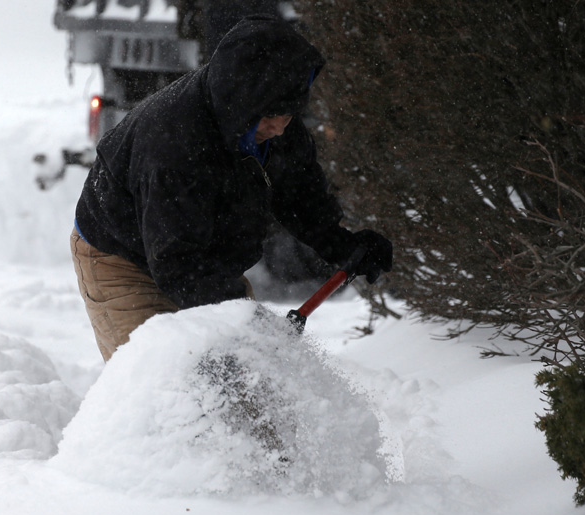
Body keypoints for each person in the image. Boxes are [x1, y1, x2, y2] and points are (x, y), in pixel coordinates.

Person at [70, 15, 392, 362]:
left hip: (199, 257)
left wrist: (340, 243)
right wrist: (244, 321)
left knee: (245, 379)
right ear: (240, 98)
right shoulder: (176, 146)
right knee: (165, 384)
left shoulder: (269, 125)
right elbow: (178, 262)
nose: (281, 128)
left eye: (288, 114)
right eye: (271, 116)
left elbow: (298, 195)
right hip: (123, 260)